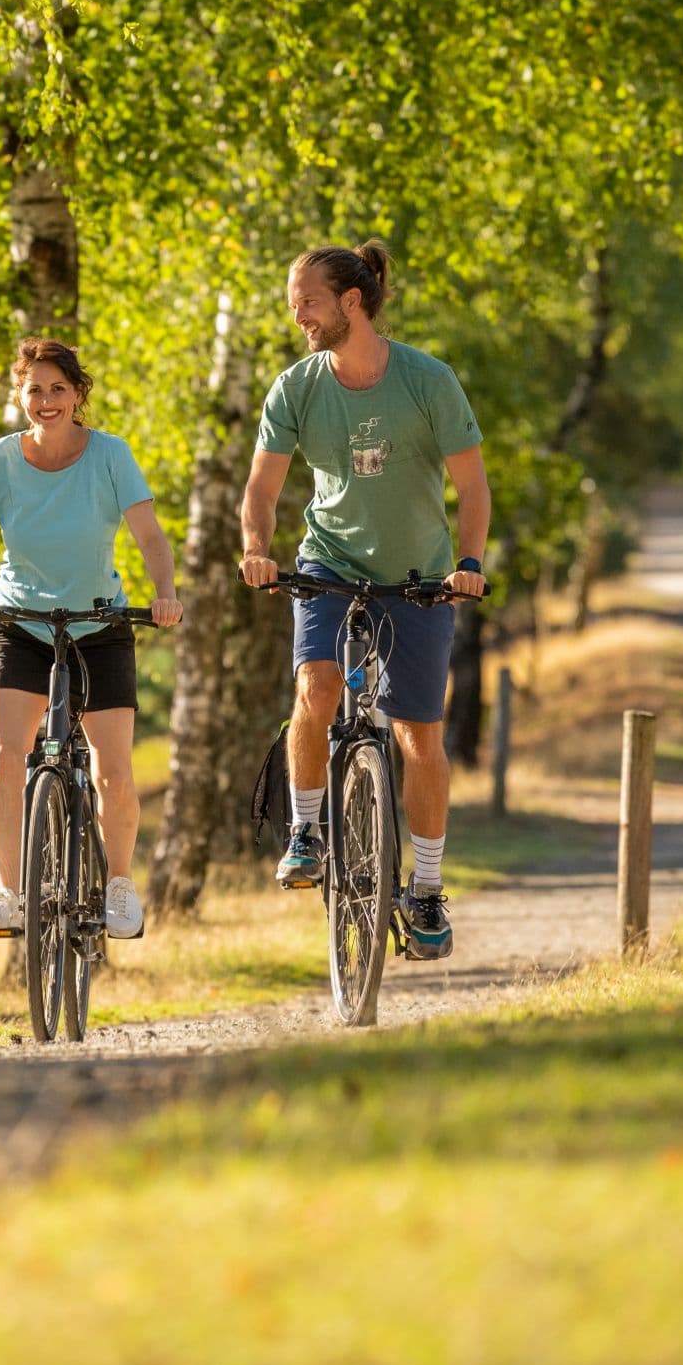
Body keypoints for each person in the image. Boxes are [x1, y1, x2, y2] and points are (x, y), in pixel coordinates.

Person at [238, 241, 489, 961]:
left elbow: (473, 486)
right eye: (294, 305)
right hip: (330, 562)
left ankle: (428, 887)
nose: (299, 317)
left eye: (309, 303)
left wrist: (468, 565)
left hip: (419, 576)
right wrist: (257, 547)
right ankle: (306, 831)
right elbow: (261, 489)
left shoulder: (427, 380)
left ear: (352, 301)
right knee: (316, 688)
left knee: (419, 738)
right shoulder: (296, 387)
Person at [0, 338, 182, 941]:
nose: (45, 400)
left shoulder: (110, 455)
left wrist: (164, 593)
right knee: (7, 754)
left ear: (77, 395)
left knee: (112, 769)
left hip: (98, 626)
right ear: (19, 396)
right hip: (19, 624)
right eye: (34, 390)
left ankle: (119, 886)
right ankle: (9, 893)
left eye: (57, 389)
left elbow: (151, 538)